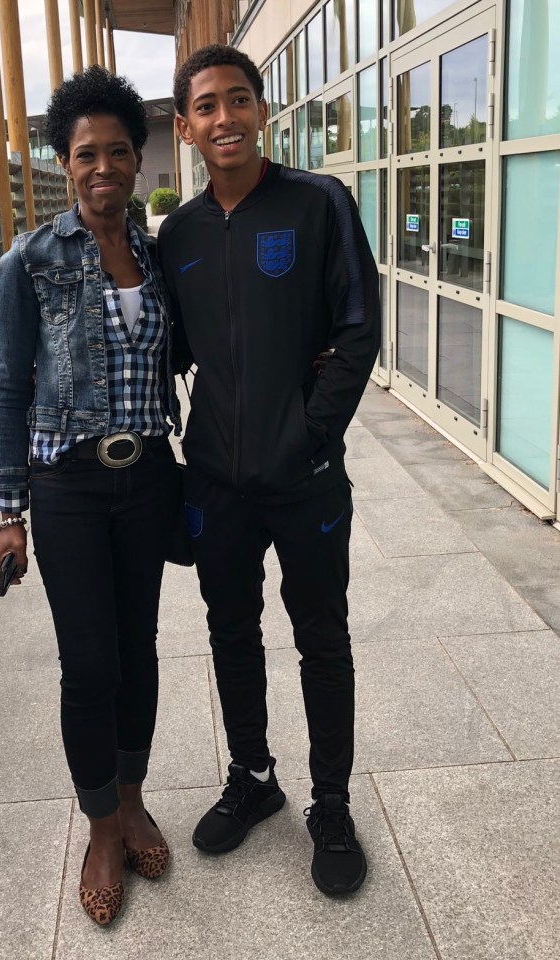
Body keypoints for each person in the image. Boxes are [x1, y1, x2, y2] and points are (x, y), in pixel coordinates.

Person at [158, 45, 380, 896]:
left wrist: (310, 435)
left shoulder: (318, 203)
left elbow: (358, 329)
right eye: (207, 106)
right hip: (215, 478)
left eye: (239, 100)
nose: (225, 118)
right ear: (184, 128)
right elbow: (171, 348)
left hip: (306, 477)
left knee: (322, 637)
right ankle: (252, 778)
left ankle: (330, 803)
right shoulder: (177, 233)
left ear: (262, 111)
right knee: (229, 630)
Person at [0, 66, 181, 926]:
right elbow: (10, 389)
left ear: (137, 161)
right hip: (66, 485)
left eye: (118, 152)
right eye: (85, 154)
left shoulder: (158, 252)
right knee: (88, 662)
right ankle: (101, 825)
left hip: (148, 480)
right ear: (64, 163)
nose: (103, 167)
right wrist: (9, 513)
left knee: (139, 649)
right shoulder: (28, 260)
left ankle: (131, 796)